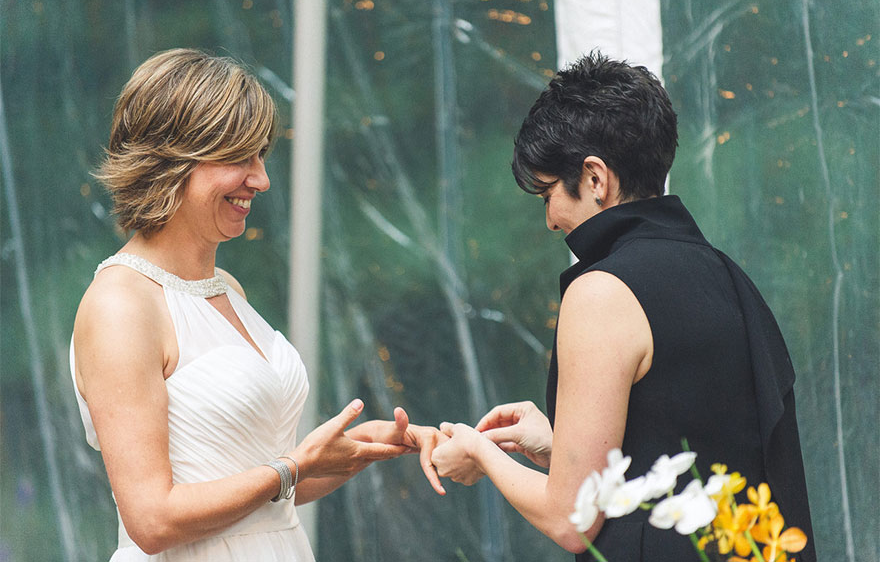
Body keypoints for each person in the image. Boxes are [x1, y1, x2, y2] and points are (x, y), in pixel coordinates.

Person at [430, 51, 816, 561]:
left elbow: (572, 520)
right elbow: (691, 444)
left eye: (547, 194)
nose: (549, 220)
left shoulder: (603, 290)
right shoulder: (727, 275)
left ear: (594, 178)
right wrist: (559, 444)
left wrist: (480, 453)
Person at [70, 48, 445, 561]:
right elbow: (152, 521)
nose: (261, 179)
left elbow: (264, 491)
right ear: (171, 161)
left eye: (261, 155)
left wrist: (347, 453)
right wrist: (292, 466)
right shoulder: (120, 305)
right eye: (239, 157)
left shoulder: (227, 289)